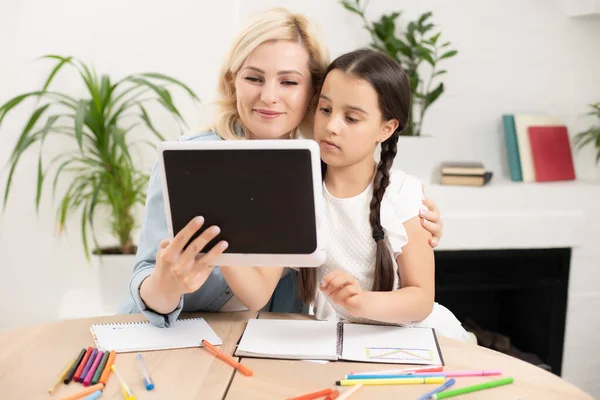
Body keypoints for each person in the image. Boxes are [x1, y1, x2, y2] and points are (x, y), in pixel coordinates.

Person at [120, 8, 445, 328]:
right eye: (253, 78)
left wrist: (408, 225)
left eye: (288, 82)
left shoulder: (313, 170)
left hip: (265, 342)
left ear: (313, 92)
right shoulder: (190, 160)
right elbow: (149, 280)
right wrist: (167, 284)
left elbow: (369, 222)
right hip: (169, 333)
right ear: (233, 81)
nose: (269, 96)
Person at [222, 48, 468, 341]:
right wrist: (220, 247)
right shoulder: (296, 193)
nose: (331, 127)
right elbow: (257, 293)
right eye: (325, 110)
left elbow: (421, 300)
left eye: (351, 118)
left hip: (415, 339)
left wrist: (361, 302)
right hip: (340, 343)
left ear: (386, 128)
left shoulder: (402, 195)